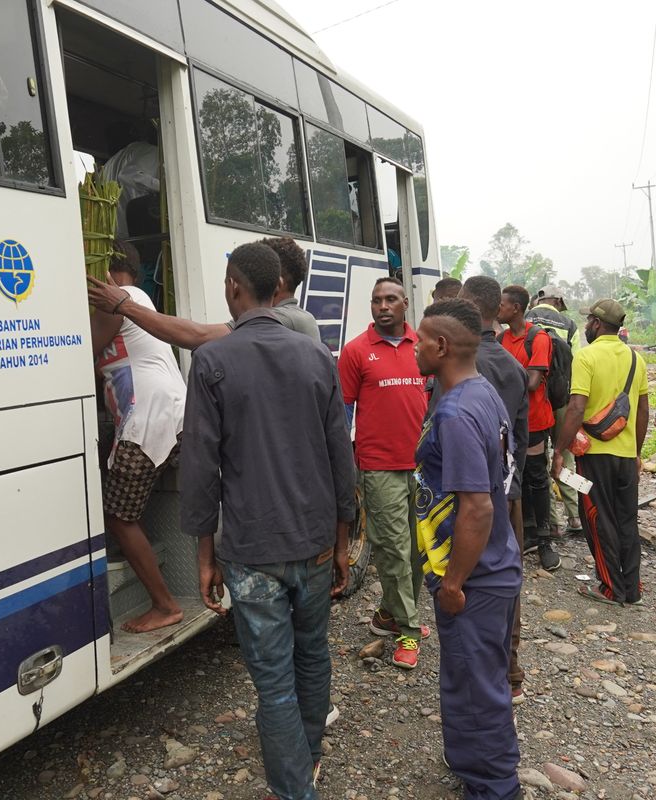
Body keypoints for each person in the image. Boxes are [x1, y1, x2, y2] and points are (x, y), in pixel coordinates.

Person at [180, 242, 357, 800]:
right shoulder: (316, 357)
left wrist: (204, 555)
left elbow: (201, 467)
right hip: (314, 544)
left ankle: (294, 788)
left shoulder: (213, 361)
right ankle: (306, 761)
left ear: (236, 287)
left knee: (274, 682)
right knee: (313, 655)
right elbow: (340, 458)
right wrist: (344, 540)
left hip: (252, 551)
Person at [413, 298, 522, 800]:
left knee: (479, 690)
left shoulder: (456, 412)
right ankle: (468, 763)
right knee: (467, 678)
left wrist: (454, 582)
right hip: (492, 566)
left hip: (475, 577)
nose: (414, 347)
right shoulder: (481, 392)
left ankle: (495, 788)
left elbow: (477, 508)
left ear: (440, 345)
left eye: (420, 339)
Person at [90, 241, 187, 632]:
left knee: (118, 516)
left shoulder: (121, 300)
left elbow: (83, 351)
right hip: (163, 412)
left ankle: (165, 605)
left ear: (108, 274)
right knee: (126, 507)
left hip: (147, 418)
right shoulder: (138, 296)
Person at [338, 277, 429, 669]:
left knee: (419, 551)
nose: (382, 306)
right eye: (376, 300)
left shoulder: (424, 347)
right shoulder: (356, 351)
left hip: (424, 467)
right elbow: (342, 413)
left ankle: (388, 614)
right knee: (393, 550)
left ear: (405, 303)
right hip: (378, 468)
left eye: (390, 299)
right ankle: (407, 629)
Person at [457, 276, 530, 705]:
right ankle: (511, 670)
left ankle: (479, 681)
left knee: (464, 580)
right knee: (507, 581)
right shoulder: (512, 365)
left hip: (469, 496)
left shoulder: (461, 366)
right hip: (508, 491)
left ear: (466, 305)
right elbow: (518, 438)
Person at [551, 299, 649, 606]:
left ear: (595, 323)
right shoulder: (636, 359)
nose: (585, 326)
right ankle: (631, 588)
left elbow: (577, 407)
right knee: (626, 520)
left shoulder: (586, 357)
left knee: (597, 518)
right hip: (625, 455)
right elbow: (643, 410)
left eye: (588, 321)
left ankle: (610, 588)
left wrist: (559, 450)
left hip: (594, 456)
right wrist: (636, 451)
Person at [86, 237, 319, 347]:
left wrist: (124, 305)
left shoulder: (285, 320)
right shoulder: (292, 319)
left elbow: (199, 336)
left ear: (276, 283)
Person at [497, 285, 562, 572]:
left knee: (537, 479)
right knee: (515, 477)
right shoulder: (501, 339)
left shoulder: (538, 338)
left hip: (535, 421)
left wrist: (503, 376)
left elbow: (534, 382)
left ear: (516, 308)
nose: (498, 308)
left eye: (502, 304)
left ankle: (545, 540)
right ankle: (524, 534)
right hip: (508, 421)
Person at [526, 287, 582, 537]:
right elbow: (577, 363)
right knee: (565, 457)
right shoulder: (569, 324)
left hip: (534, 399)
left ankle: (552, 522)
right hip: (562, 401)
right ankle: (575, 516)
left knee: (537, 460)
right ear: (558, 301)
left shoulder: (523, 319)